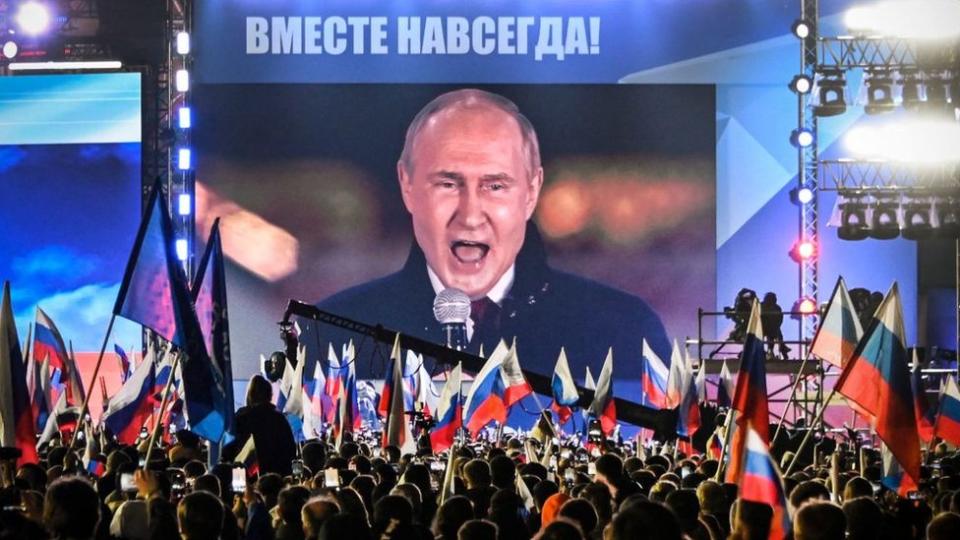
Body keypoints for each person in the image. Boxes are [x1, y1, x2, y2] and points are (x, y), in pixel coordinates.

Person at [304, 88, 670, 406]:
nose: (471, 214)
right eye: (448, 183)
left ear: (531, 191)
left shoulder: (622, 330)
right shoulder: (334, 334)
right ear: (407, 185)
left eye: (495, 186)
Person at [223, 375, 297, 476]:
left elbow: (228, 451)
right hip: (276, 478)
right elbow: (290, 451)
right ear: (270, 395)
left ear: (250, 395)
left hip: (244, 478)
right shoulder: (279, 419)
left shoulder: (240, 418)